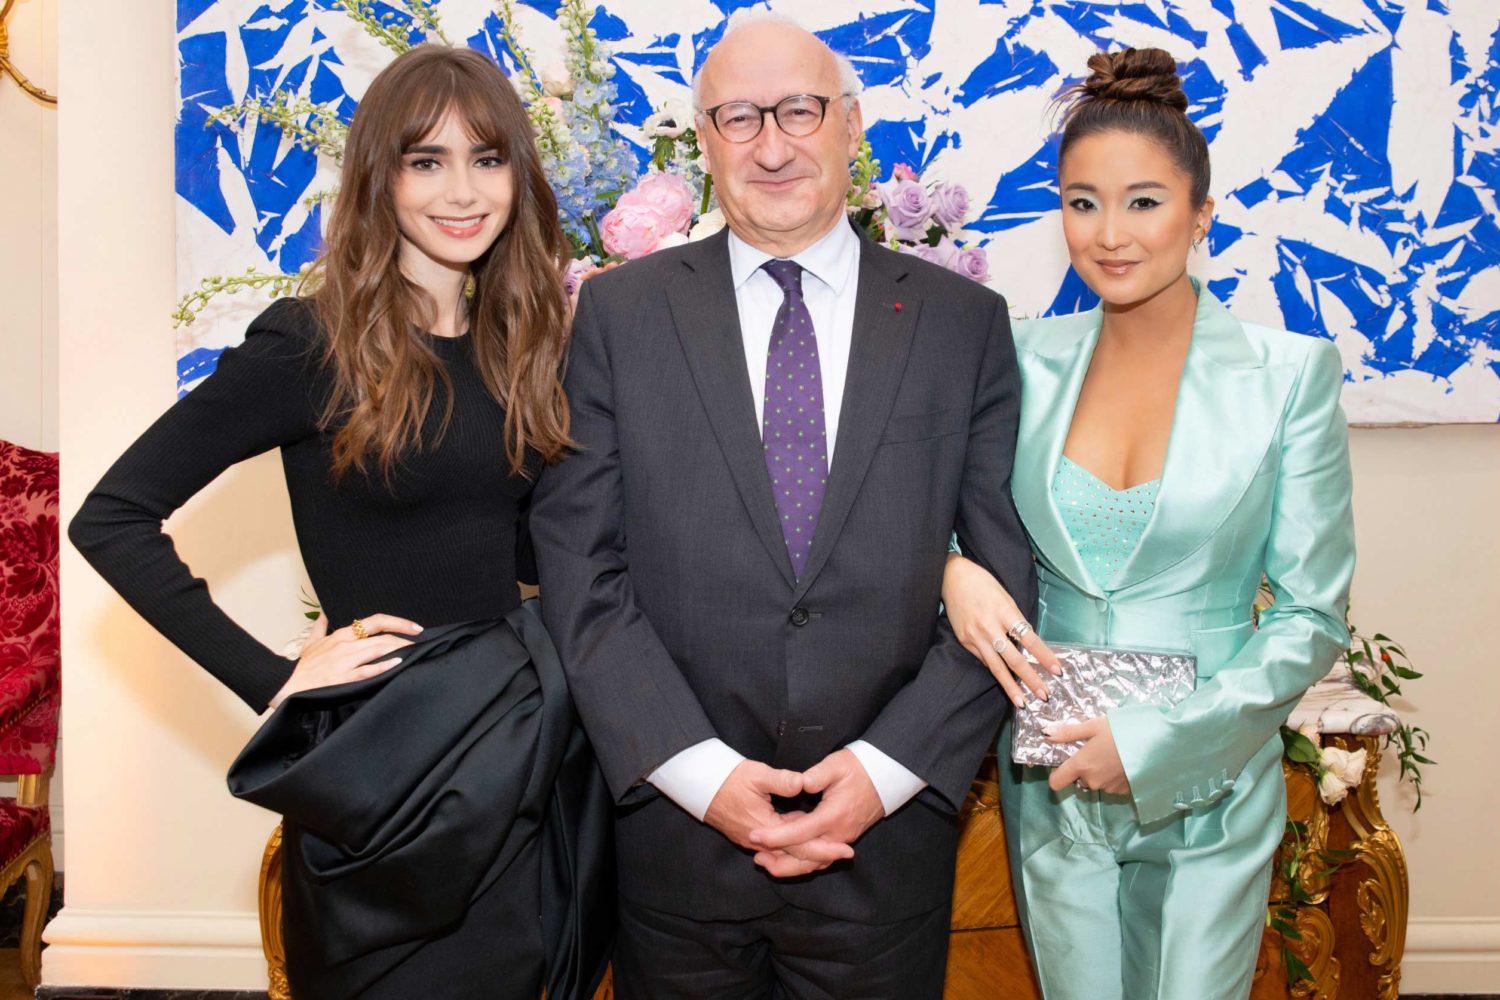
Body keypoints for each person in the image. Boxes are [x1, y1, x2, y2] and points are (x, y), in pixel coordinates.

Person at [69, 45, 605, 1000]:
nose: (462, 190)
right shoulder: (311, 344)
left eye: (487, 159)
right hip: (381, 759)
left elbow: (524, 545)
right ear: (378, 178)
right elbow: (111, 517)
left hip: (521, 743)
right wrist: (273, 680)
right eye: (427, 160)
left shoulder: (519, 345)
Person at [529, 12, 1036, 999]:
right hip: (678, 850)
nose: (772, 146)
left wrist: (885, 773)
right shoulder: (620, 317)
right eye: (739, 117)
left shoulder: (961, 325)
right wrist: (697, 771)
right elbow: (581, 569)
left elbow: (1004, 573)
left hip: (884, 854)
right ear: (705, 140)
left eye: (799, 111)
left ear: (850, 124)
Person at [940, 47, 1357, 1000]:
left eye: (1143, 201)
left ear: (1200, 213)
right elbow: (944, 516)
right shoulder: (1017, 358)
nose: (1110, 234)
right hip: (1052, 776)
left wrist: (1157, 742)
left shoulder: (1289, 375)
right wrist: (950, 568)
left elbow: (1311, 614)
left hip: (1208, 776)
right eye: (1082, 203)